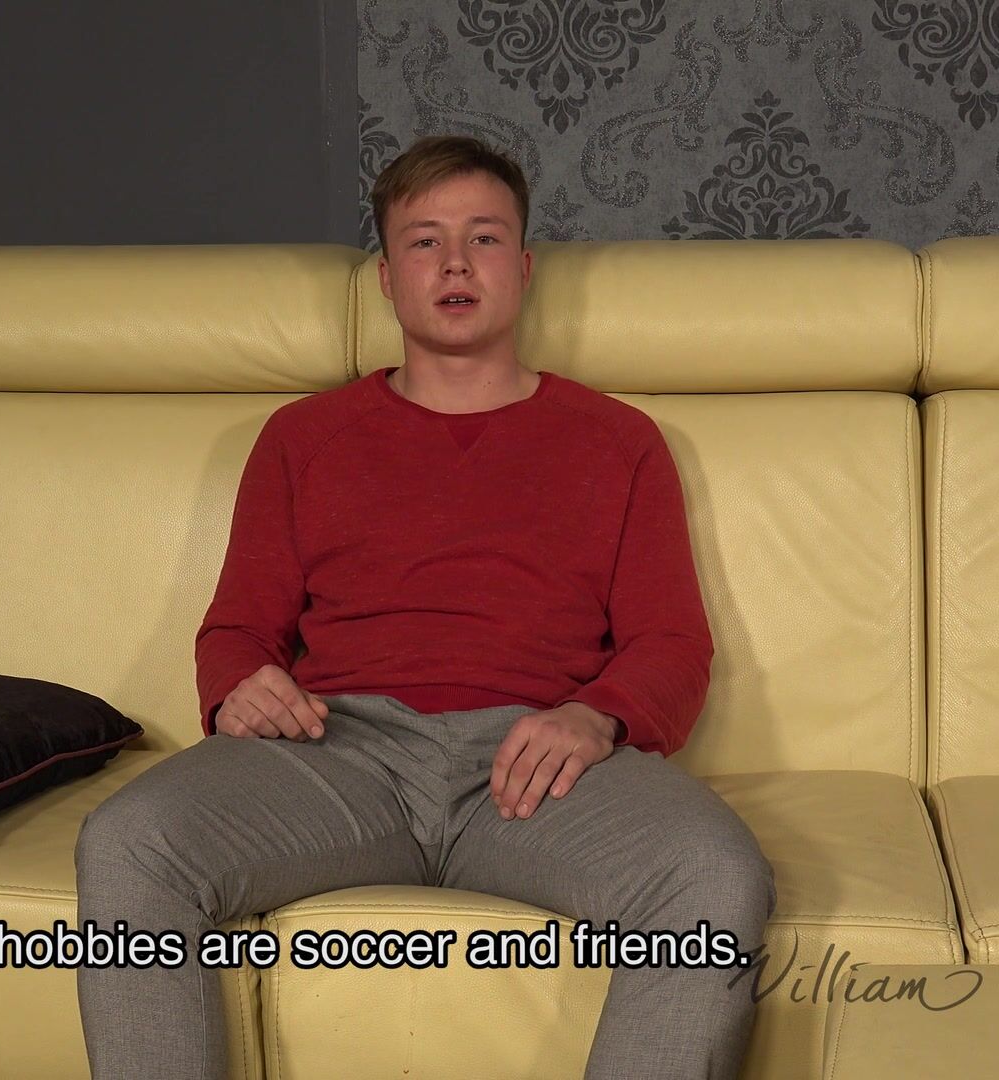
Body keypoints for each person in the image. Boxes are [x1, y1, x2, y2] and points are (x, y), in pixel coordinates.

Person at [74, 135, 774, 1079]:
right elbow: (236, 629)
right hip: (337, 753)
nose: (454, 264)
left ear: (523, 269)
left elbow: (673, 644)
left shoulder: (620, 441)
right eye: (424, 241)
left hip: (536, 768)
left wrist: (593, 717)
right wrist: (240, 684)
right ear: (386, 279)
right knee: (129, 840)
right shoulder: (302, 438)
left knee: (716, 873)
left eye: (483, 238)